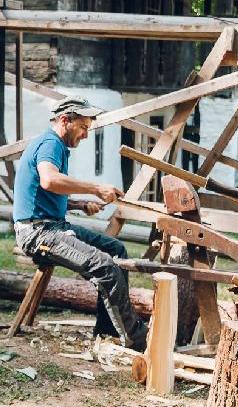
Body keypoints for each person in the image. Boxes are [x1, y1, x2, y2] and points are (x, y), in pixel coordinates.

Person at [13, 97, 148, 350]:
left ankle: (107, 331)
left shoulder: (57, 146)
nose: (86, 135)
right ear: (66, 121)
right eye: (84, 127)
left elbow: (45, 194)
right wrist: (96, 188)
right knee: (105, 267)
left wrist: (79, 204)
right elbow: (49, 181)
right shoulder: (50, 143)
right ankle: (137, 339)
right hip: (37, 233)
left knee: (116, 250)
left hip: (51, 225)